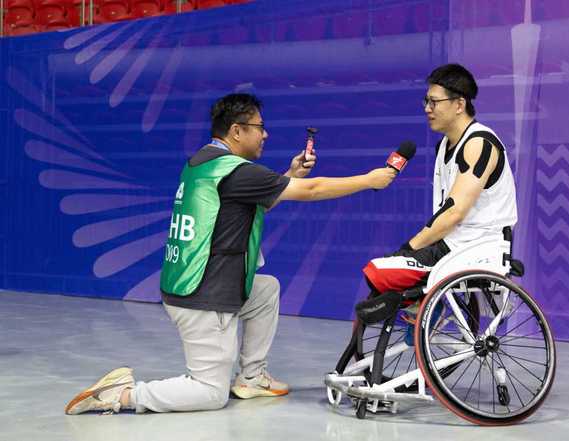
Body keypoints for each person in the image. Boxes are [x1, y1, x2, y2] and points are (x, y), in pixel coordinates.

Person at [65, 93, 396, 415]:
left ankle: (251, 377)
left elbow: (252, 202)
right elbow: (312, 190)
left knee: (265, 290)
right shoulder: (237, 171)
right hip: (205, 295)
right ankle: (120, 394)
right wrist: (368, 180)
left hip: (189, 285)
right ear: (237, 131)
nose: (265, 134)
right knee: (210, 392)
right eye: (259, 127)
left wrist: (290, 176)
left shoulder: (204, 162)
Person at [361, 63, 517, 307]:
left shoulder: (479, 143)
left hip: (476, 246)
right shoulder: (444, 145)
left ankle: (425, 317)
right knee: (384, 276)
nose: (427, 108)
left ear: (459, 104)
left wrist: (409, 248)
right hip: (453, 244)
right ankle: (422, 317)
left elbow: (454, 213)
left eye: (434, 102)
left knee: (379, 271)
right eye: (426, 101)